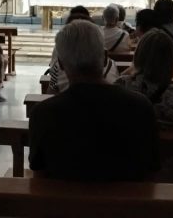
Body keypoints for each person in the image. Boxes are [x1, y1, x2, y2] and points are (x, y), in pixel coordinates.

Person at [29, 21, 159, 181]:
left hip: (64, 205)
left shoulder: (43, 113)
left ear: (61, 64)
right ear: (105, 58)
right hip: (126, 205)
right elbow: (152, 172)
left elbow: (39, 177)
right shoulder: (141, 107)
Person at [116, 30, 173, 182]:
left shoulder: (122, 86)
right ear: (171, 60)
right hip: (171, 171)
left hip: (129, 165)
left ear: (138, 56)